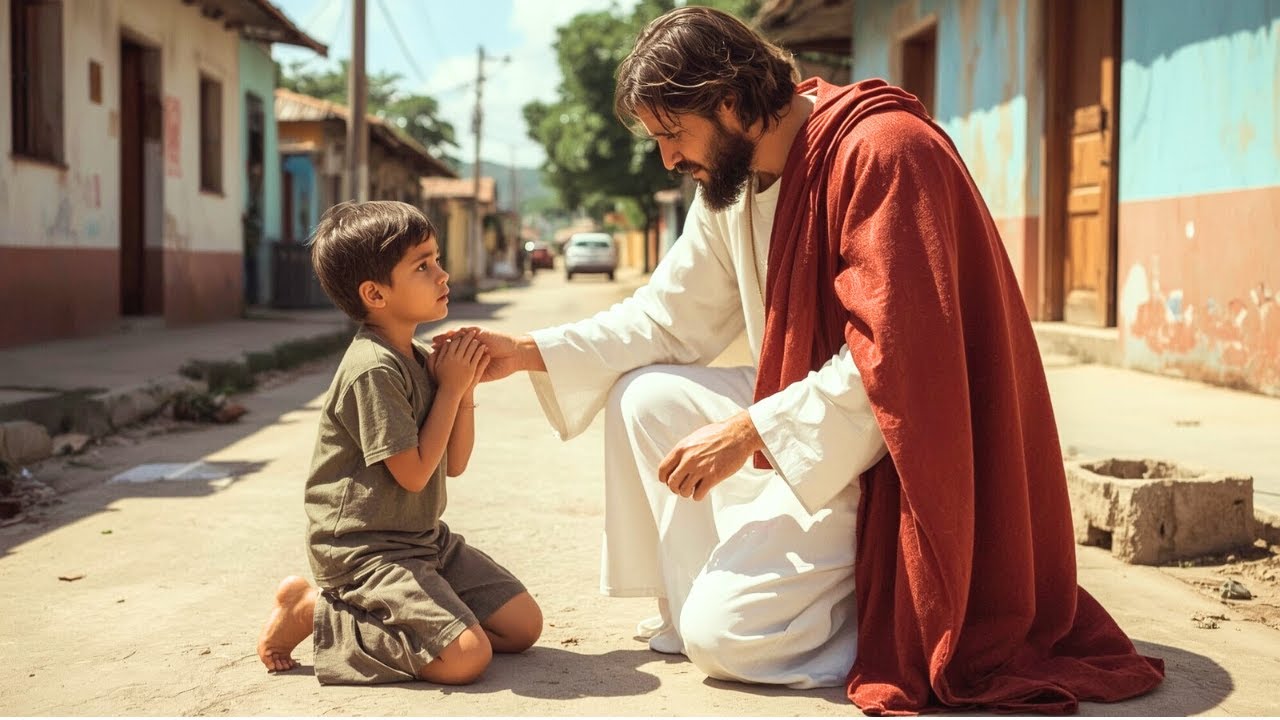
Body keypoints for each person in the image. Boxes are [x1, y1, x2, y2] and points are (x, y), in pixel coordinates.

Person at [435, 6, 1165, 713]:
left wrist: (750, 431)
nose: (667, 159)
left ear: (727, 102)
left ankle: (882, 625)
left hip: (899, 459)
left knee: (730, 643)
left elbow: (895, 362)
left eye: (672, 133)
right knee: (645, 396)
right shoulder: (729, 180)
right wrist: (527, 351)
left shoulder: (884, 150)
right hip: (816, 433)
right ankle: (699, 610)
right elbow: (670, 316)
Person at [256, 200, 542, 685]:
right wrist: (449, 388)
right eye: (423, 266)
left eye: (438, 259)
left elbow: (454, 464)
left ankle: (429, 622)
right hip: (365, 552)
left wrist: (464, 387)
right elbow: (412, 475)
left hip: (423, 539)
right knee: (468, 659)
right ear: (375, 293)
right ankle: (311, 610)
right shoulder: (372, 369)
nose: (443, 275)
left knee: (521, 628)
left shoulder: (421, 356)